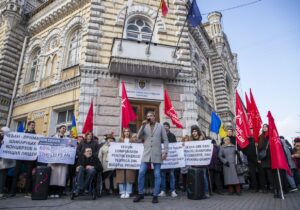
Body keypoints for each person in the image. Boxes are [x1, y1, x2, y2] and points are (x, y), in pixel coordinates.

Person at [133, 111, 168, 204]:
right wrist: (142, 126)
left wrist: (165, 152)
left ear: (154, 116)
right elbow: (138, 137)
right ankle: (141, 194)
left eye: (151, 116)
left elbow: (165, 139)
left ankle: (155, 195)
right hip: (146, 153)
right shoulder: (145, 126)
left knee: (157, 175)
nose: (149, 117)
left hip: (157, 153)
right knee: (141, 172)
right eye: (148, 116)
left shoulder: (160, 126)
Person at [9, 121, 37, 198]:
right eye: (32, 125)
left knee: (29, 175)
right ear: (28, 126)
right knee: (16, 174)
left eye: (34, 125)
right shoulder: (22, 133)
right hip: (20, 156)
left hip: (29, 157)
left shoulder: (36, 135)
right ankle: (12, 191)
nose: (33, 126)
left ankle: (27, 191)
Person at [189, 125, 210, 198]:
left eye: (195, 131)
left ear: (198, 131)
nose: (194, 133)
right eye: (192, 131)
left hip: (202, 162)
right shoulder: (190, 140)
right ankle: (196, 191)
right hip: (194, 162)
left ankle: (206, 192)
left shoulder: (203, 139)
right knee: (194, 178)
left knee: (204, 177)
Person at [49, 125, 69, 198]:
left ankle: (59, 192)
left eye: (65, 129)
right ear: (59, 129)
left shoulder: (67, 139)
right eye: (63, 128)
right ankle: (52, 192)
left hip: (62, 161)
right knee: (53, 177)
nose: (64, 129)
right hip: (54, 161)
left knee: (61, 177)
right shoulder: (53, 138)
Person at [158, 122, 178, 198]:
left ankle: (173, 190)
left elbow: (175, 146)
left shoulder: (172, 136)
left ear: (169, 127)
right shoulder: (159, 136)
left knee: (172, 175)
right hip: (163, 159)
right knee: (162, 175)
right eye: (164, 126)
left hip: (171, 159)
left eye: (167, 126)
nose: (165, 127)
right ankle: (163, 190)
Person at [116, 128, 136, 199]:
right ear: (123, 133)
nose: (126, 133)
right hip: (121, 161)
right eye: (125, 131)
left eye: (128, 131)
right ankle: (122, 192)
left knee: (129, 176)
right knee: (121, 177)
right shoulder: (120, 140)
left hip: (130, 160)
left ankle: (128, 192)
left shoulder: (133, 141)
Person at [0, 127, 15, 197]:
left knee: (2, 176)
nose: (1, 132)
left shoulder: (9, 140)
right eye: (1, 131)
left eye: (3, 131)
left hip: (4, 161)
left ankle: (1, 191)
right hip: (2, 160)